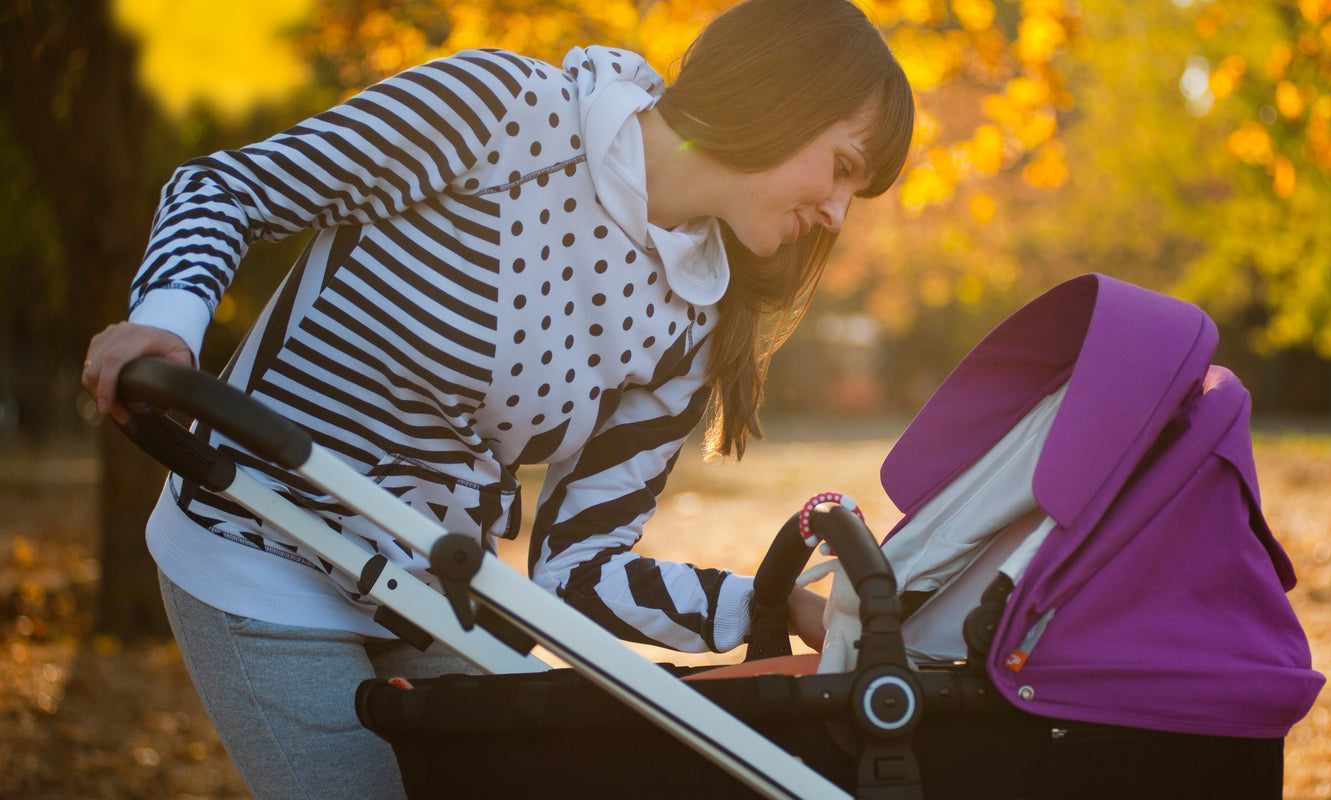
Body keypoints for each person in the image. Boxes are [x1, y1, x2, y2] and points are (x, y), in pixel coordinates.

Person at [80, 0, 915, 795]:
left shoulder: (695, 320)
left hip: (429, 588)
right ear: (776, 96)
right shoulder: (499, 112)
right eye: (842, 168)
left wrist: (775, 604)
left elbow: (579, 571)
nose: (839, 215)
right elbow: (231, 189)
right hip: (262, 541)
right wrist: (167, 321)